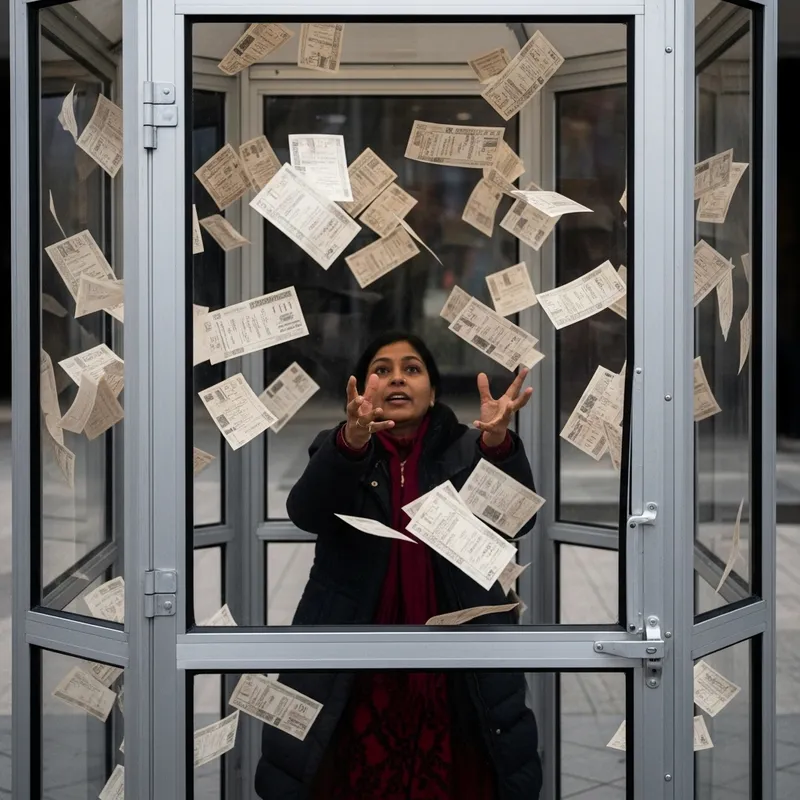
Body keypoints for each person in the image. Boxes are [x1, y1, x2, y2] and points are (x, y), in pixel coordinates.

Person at [255, 331, 542, 800]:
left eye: (412, 369)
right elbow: (306, 513)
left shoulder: (470, 449)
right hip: (355, 662)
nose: (397, 379)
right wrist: (351, 442)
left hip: (454, 670)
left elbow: (520, 521)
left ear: (432, 391)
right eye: (382, 370)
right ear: (363, 388)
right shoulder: (340, 448)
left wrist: (497, 443)